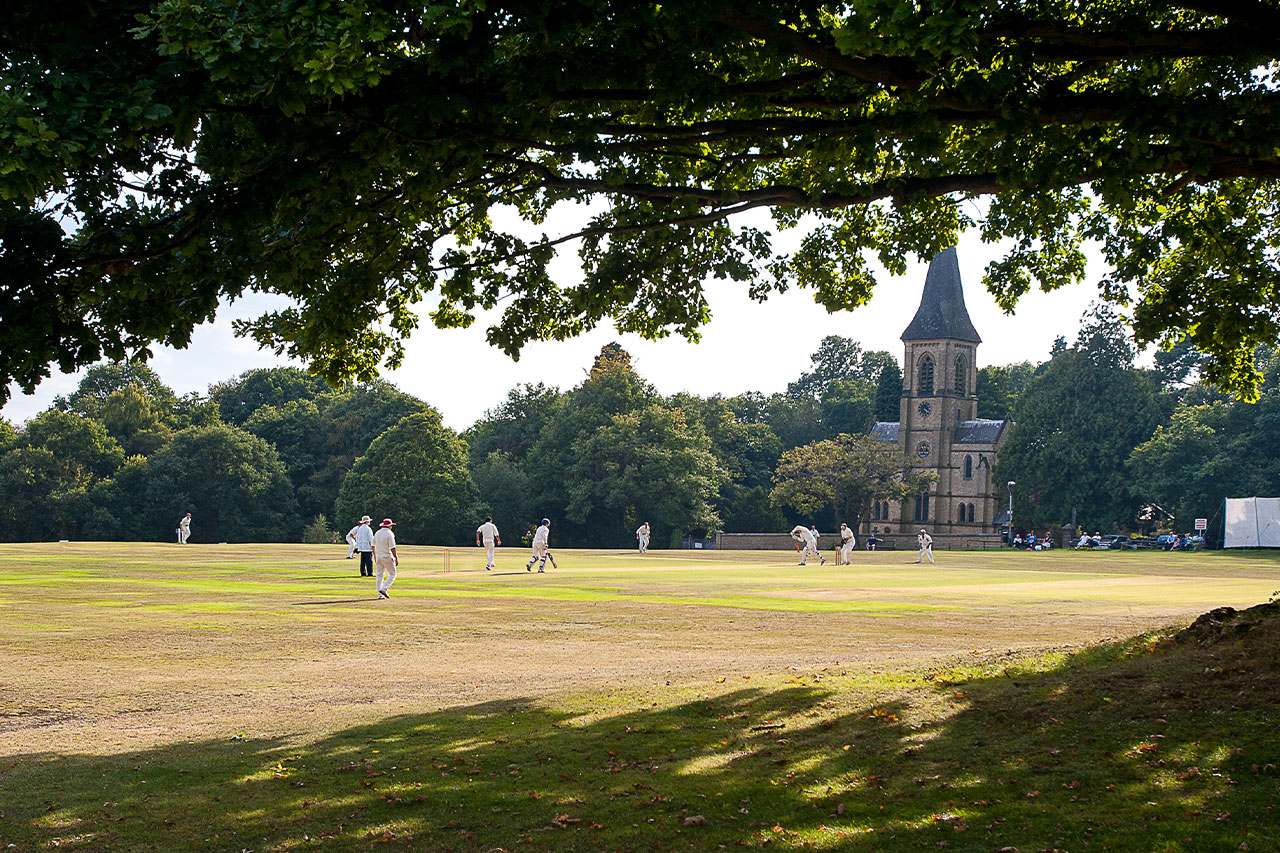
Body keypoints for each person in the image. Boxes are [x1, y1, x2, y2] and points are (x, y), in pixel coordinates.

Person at [373, 518, 398, 599]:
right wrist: (396, 557)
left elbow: (373, 545)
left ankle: (380, 594)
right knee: (393, 574)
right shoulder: (389, 534)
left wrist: (375, 555)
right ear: (389, 526)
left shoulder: (377, 533)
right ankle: (384, 588)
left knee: (379, 575)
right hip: (386, 555)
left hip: (378, 556)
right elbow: (392, 547)